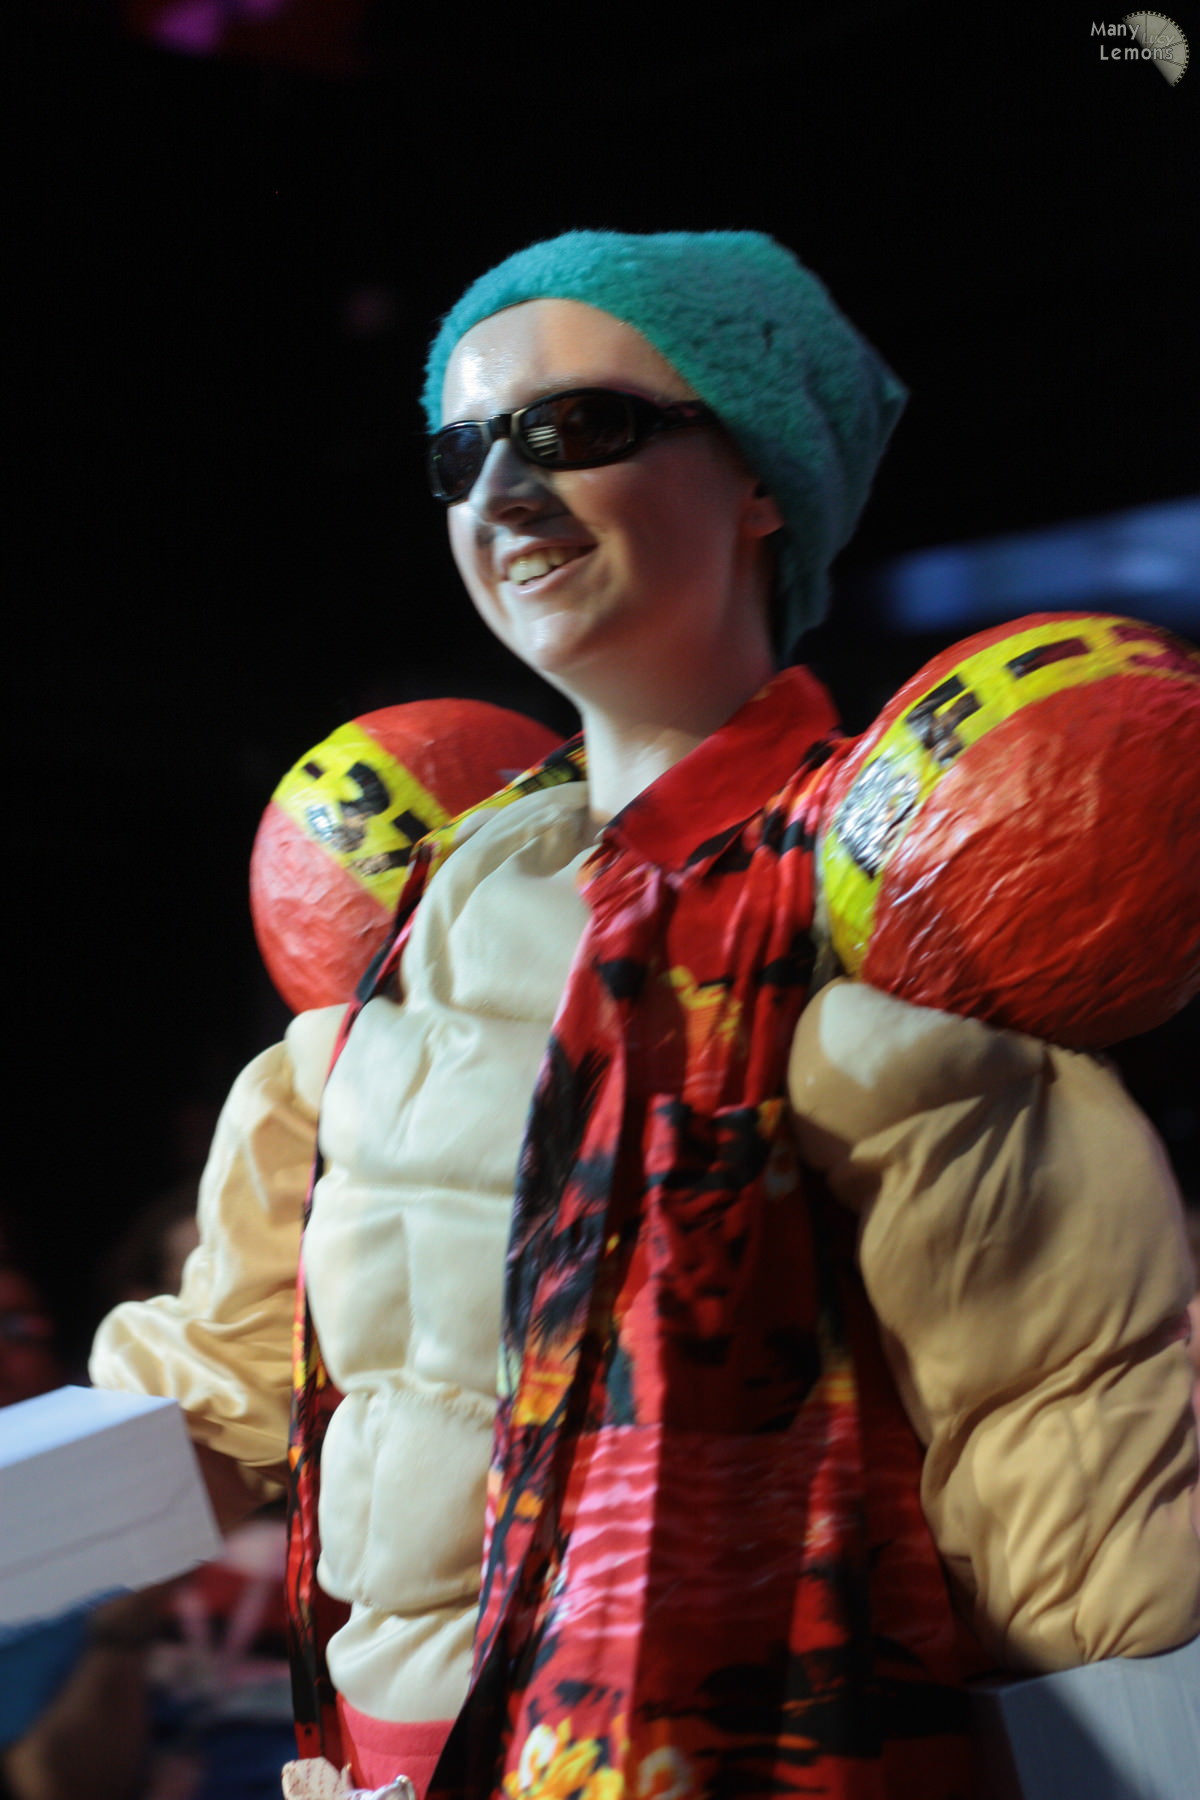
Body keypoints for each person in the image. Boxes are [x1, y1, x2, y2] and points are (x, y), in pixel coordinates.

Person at [90, 231, 1200, 1800]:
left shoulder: (879, 922)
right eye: (462, 453)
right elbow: (219, 1400)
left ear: (759, 481)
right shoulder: (411, 930)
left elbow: (1074, 1507)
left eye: (578, 428)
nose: (504, 492)